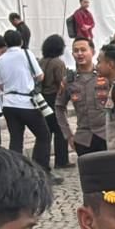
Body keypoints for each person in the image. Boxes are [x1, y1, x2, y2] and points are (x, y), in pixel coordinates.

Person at [0, 28, 53, 173]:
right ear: (21, 41)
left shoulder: (0, 60)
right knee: (43, 135)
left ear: (5, 43)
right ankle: (40, 169)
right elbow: (40, 75)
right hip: (26, 102)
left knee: (16, 139)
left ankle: (15, 171)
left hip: (8, 103)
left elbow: (0, 84)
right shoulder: (26, 54)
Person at [56, 37, 110, 157]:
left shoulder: (105, 75)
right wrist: (68, 135)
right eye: (76, 51)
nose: (79, 54)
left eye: (83, 50)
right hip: (83, 139)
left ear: (93, 52)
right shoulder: (69, 80)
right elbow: (59, 107)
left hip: (106, 136)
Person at [38, 34, 72, 169]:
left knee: (46, 131)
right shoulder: (58, 63)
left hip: (42, 98)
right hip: (54, 96)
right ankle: (61, 160)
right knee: (60, 129)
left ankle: (43, 161)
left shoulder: (41, 61)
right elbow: (62, 82)